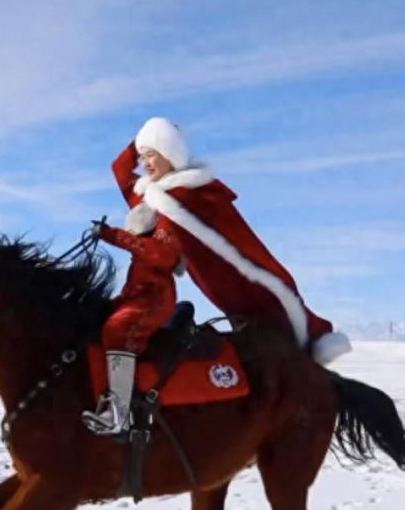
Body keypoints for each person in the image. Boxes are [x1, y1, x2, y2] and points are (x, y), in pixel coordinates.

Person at [110, 117, 351, 365]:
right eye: (142, 157)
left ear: (170, 155)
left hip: (231, 275)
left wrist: (114, 236)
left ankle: (307, 348)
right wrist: (141, 140)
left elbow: (241, 241)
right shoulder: (152, 195)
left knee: (268, 314)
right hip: (209, 280)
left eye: (151, 155)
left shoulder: (194, 193)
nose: (145, 164)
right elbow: (119, 168)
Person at [82, 203, 182, 436]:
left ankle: (119, 414)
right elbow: (131, 291)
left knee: (117, 329)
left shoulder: (161, 246)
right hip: (140, 302)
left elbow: (151, 251)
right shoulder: (141, 257)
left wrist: (110, 234)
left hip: (155, 304)